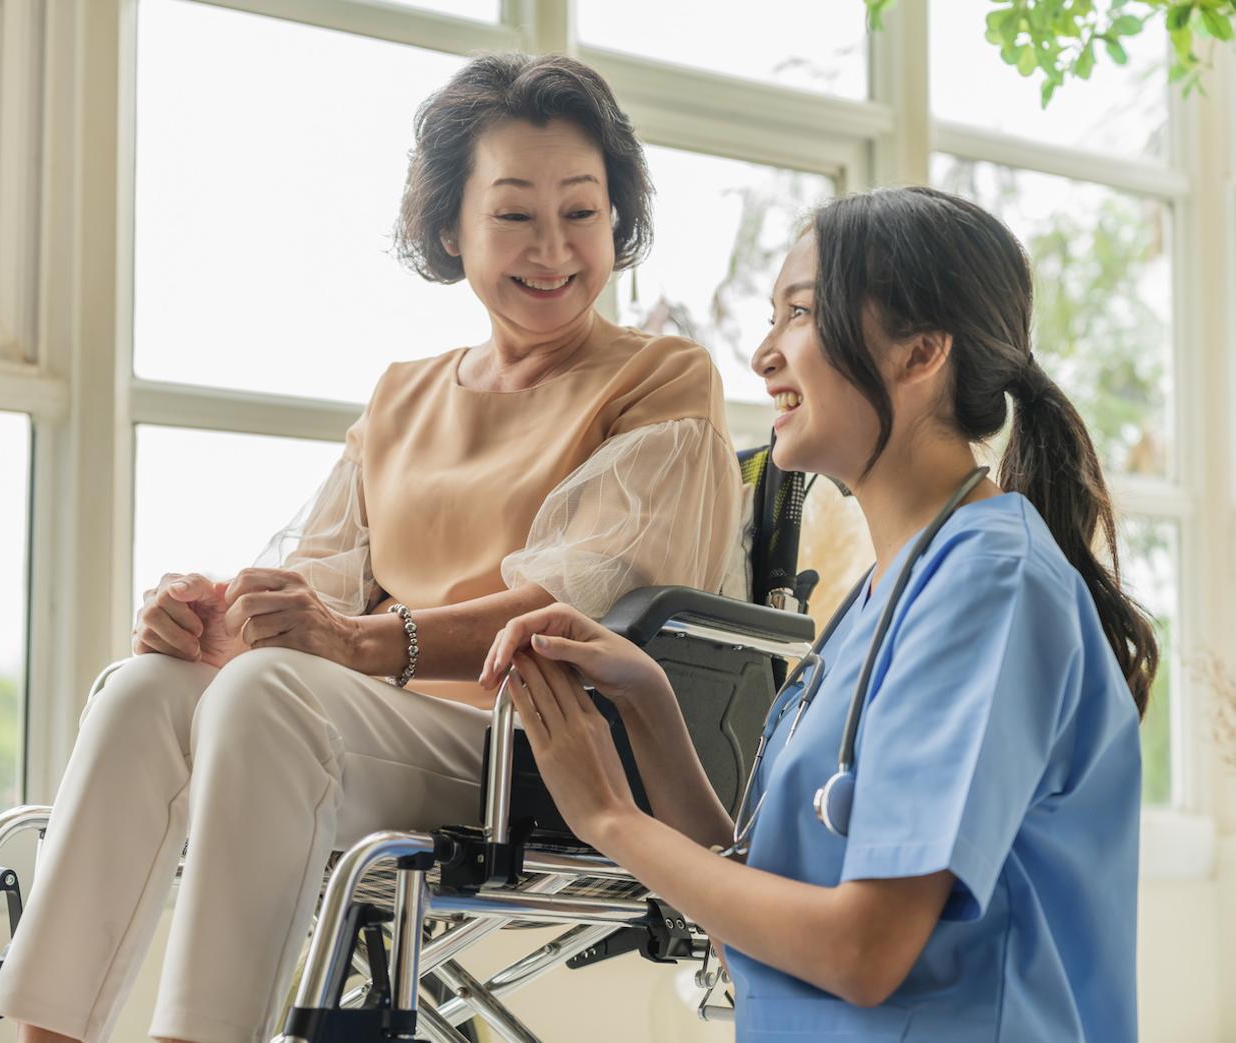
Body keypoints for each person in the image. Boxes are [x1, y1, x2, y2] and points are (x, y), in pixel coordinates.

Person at [0, 53, 744, 1043]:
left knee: (268, 692)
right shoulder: (402, 395)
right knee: (142, 685)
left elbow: (574, 606)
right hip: (366, 726)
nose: (553, 247)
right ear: (448, 228)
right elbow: (319, 586)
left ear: (617, 222)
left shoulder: (660, 380)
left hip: (537, 747)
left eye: (583, 212)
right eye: (514, 213)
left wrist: (360, 645)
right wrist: (213, 615)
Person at [483, 185, 1156, 1042]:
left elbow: (862, 950)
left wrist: (609, 820)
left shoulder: (990, 583)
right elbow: (758, 920)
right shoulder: (882, 595)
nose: (763, 353)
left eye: (798, 312)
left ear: (919, 355)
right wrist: (650, 705)